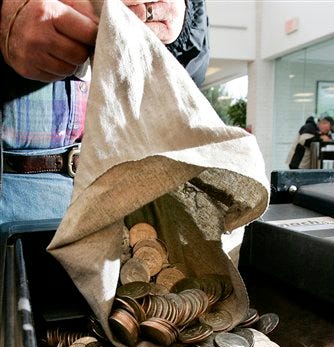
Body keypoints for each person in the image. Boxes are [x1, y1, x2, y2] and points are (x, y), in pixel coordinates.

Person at [0, 0, 210, 223]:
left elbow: (194, 71)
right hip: (10, 183)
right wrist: (5, 16)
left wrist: (184, 18)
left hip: (106, 197)